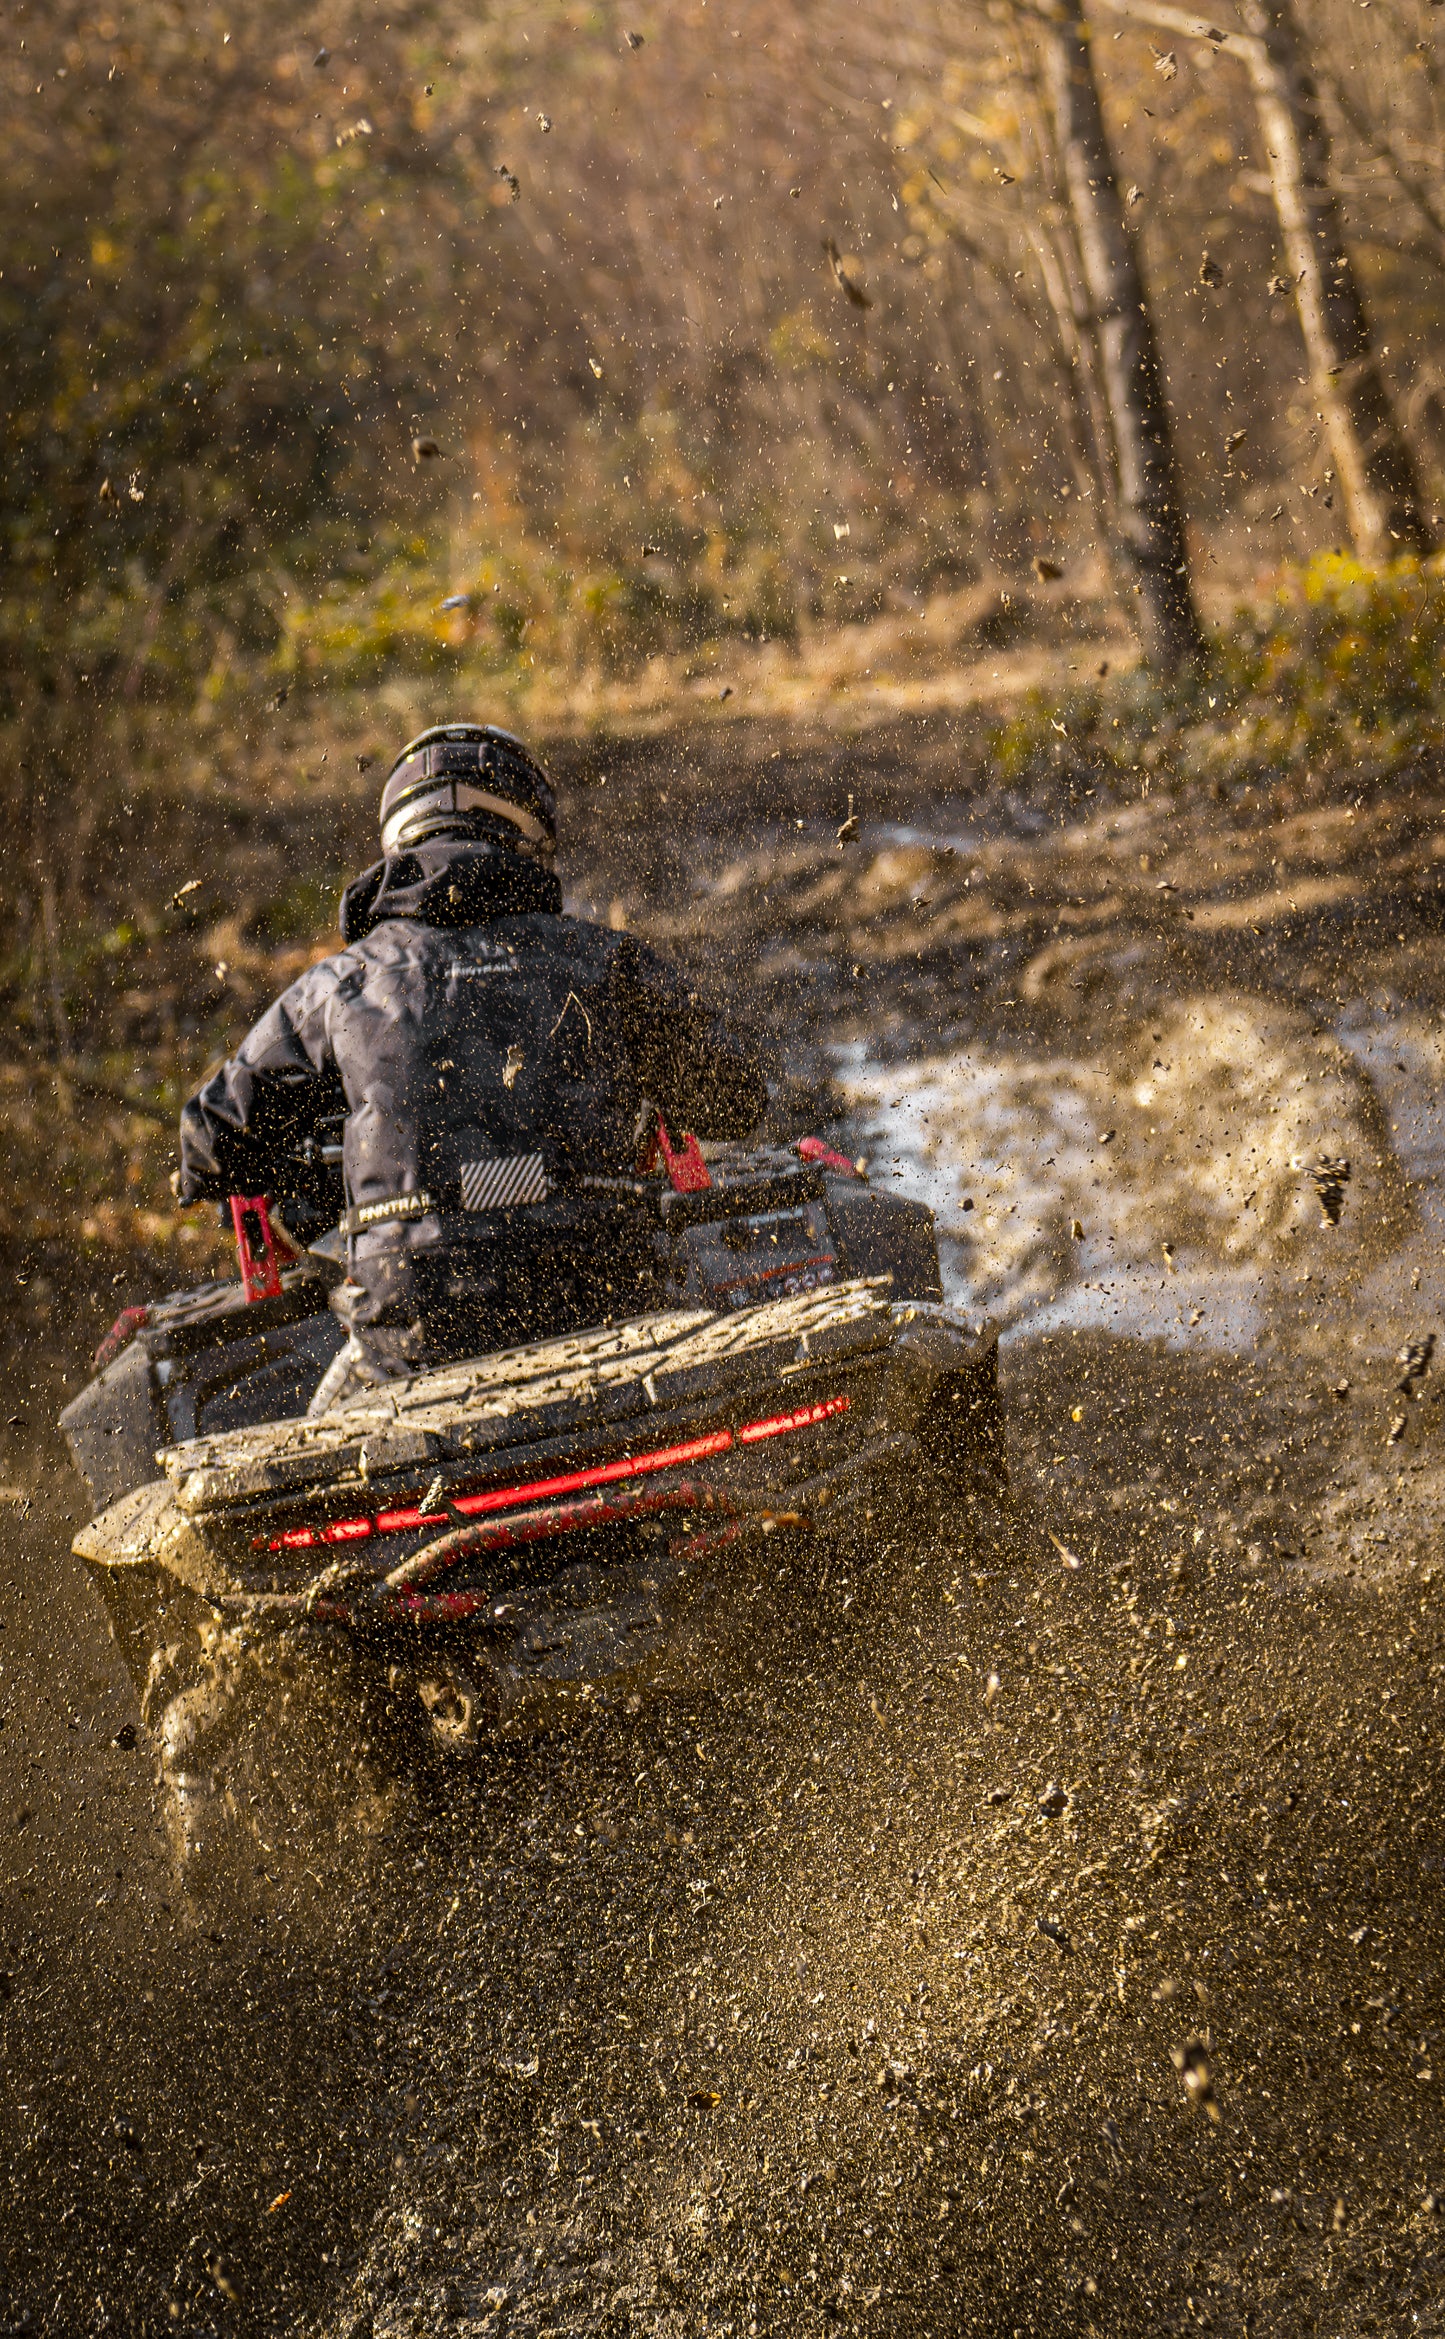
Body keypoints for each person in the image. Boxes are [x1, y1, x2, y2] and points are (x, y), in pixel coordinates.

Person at [175, 722, 767, 1410]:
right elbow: (734, 1098)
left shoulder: (340, 987)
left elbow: (208, 1147)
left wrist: (310, 1194)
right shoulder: (603, 960)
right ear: (530, 836)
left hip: (417, 1326)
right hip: (608, 1289)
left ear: (399, 840)